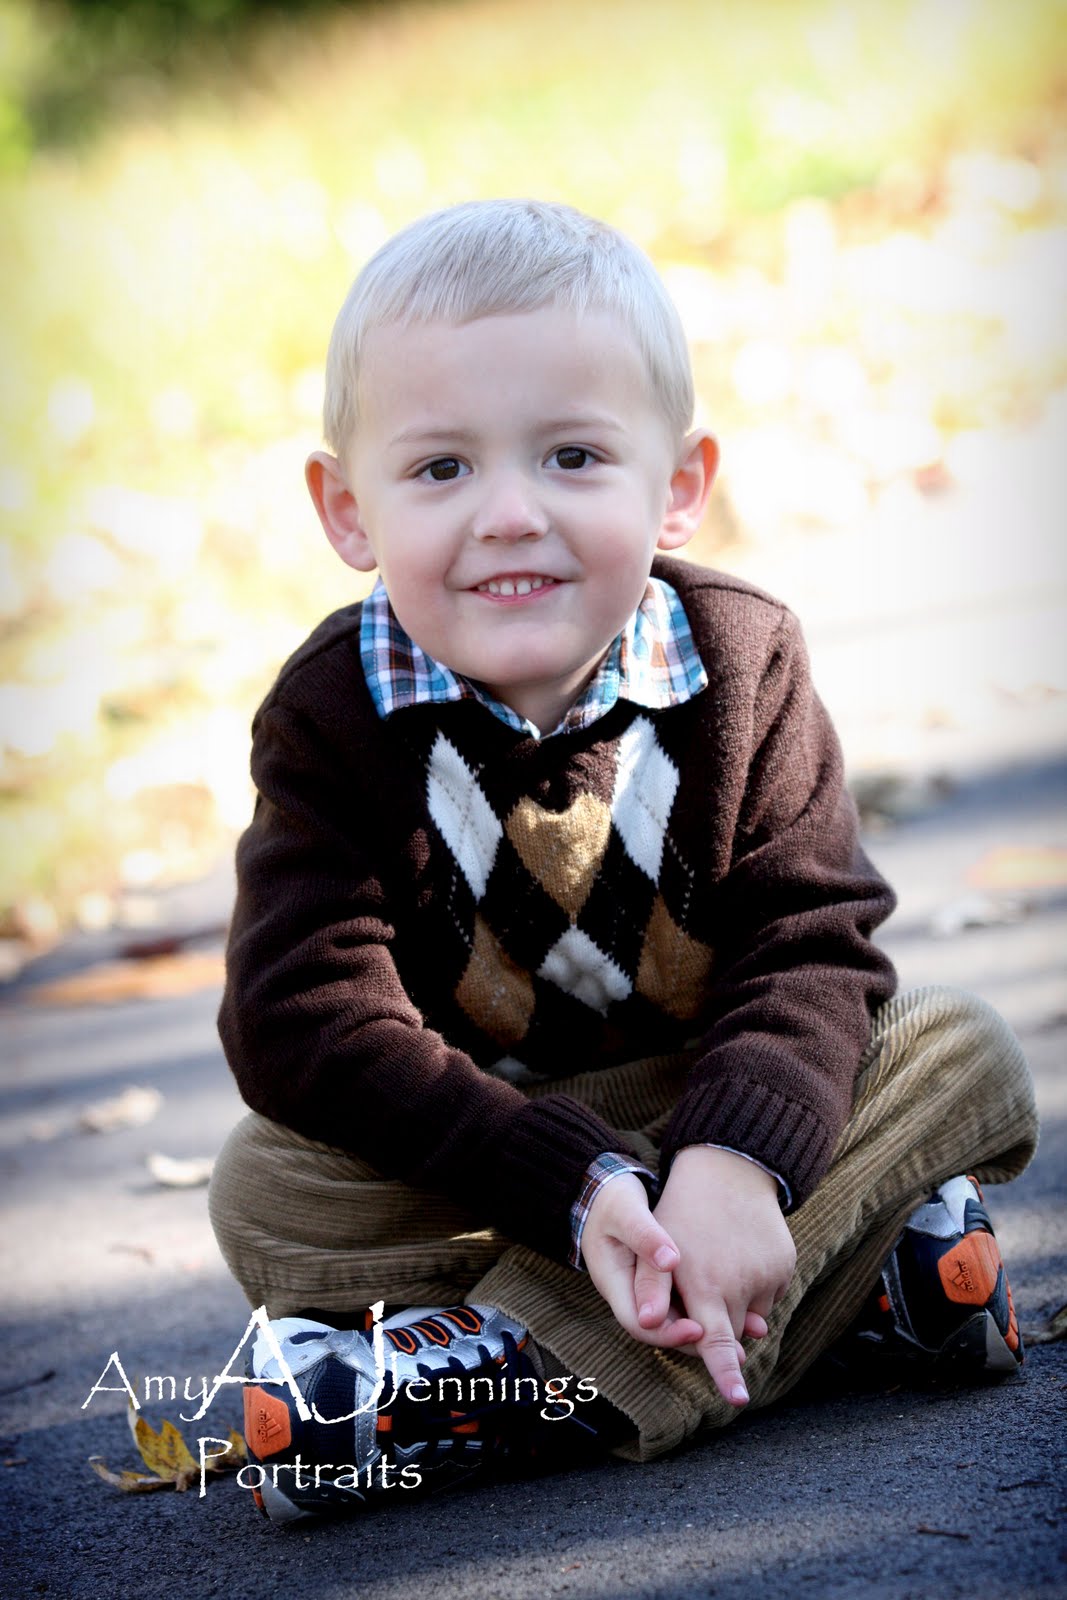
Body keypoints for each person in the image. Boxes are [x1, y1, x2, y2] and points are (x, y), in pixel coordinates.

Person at [208, 199, 1038, 1525]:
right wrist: (581, 1181)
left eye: (574, 456)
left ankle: (492, 1384)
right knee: (264, 1189)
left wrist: (729, 1166)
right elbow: (299, 1012)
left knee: (960, 1054)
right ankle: (861, 1286)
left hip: (715, 1098)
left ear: (681, 486)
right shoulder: (333, 719)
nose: (510, 514)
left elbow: (809, 945)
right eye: (441, 471)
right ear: (345, 508)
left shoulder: (743, 663)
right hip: (503, 1157)